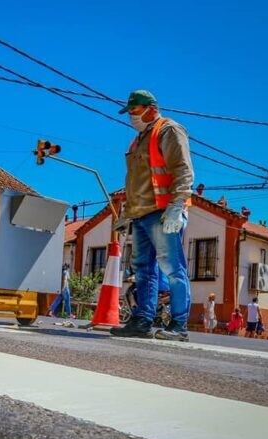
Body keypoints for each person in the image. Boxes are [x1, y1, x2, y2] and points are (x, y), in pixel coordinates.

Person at [110, 90, 194, 342]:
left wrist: (177, 206)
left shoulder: (168, 130)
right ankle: (142, 320)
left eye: (134, 111)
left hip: (163, 212)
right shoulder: (137, 141)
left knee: (172, 269)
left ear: (151, 108)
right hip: (141, 214)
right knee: (143, 270)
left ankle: (178, 324)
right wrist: (127, 213)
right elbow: (135, 181)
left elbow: (183, 170)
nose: (131, 117)